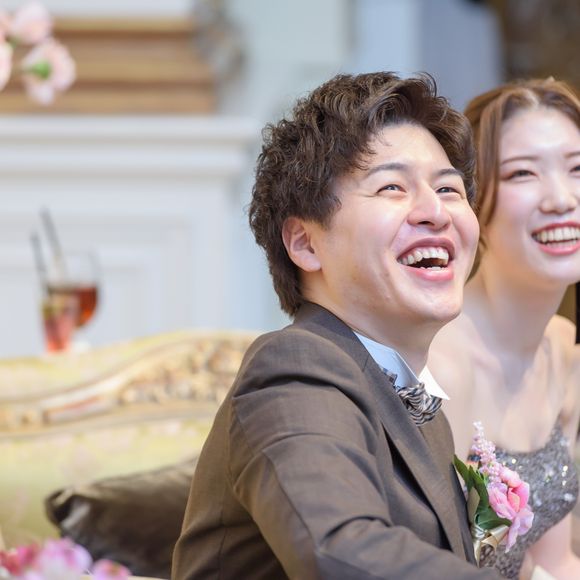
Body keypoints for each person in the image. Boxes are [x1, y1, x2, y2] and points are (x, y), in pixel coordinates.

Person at [172, 71, 499, 579]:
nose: (436, 211)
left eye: (448, 189)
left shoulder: (415, 404)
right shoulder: (296, 367)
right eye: (392, 187)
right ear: (305, 243)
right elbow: (339, 551)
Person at [429, 78, 580, 579]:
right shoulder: (438, 363)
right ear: (472, 204)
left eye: (577, 168)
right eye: (522, 173)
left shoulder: (563, 349)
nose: (561, 198)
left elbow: (555, 563)